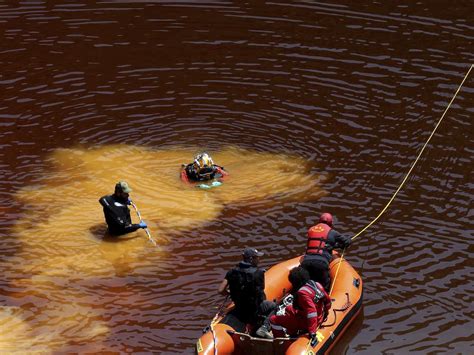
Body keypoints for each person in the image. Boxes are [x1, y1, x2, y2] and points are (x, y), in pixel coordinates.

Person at [218, 247, 275, 334]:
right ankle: (264, 327)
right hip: (253, 310)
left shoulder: (231, 272)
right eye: (257, 257)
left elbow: (221, 290)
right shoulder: (258, 273)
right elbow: (260, 295)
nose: (259, 259)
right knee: (274, 307)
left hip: (239, 307)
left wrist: (231, 293)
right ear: (251, 259)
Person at [269, 267, 331, 343]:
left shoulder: (302, 293)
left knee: (273, 319)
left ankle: (281, 342)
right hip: (319, 316)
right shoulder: (316, 284)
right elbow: (327, 300)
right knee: (288, 308)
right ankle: (292, 332)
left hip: (307, 322)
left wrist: (312, 332)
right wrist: (326, 313)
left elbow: (311, 312)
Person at [301, 212, 351, 291]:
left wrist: (333, 246)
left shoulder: (311, 230)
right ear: (331, 223)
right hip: (321, 263)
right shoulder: (333, 232)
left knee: (304, 286)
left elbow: (318, 244)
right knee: (324, 288)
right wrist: (348, 240)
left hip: (306, 262)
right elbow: (346, 242)